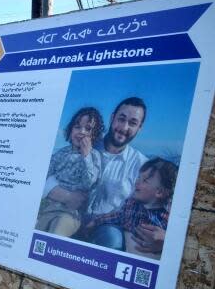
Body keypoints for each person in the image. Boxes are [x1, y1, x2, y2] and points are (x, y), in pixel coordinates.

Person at [46, 97, 165, 252]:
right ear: (112, 118)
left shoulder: (142, 165)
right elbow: (50, 171)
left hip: (104, 228)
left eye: (133, 123)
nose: (124, 127)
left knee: (112, 238)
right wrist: (67, 196)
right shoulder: (86, 144)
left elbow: (160, 200)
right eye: (121, 119)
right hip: (68, 213)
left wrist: (165, 236)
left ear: (140, 128)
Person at [85, 158, 178, 257]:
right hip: (127, 249)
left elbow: (178, 237)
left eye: (145, 180)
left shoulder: (168, 216)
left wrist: (168, 241)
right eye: (139, 177)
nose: (137, 182)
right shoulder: (132, 204)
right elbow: (119, 216)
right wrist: (96, 221)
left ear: (159, 192)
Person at [36, 107, 104, 236]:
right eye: (77, 127)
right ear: (70, 129)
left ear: (94, 135)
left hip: (71, 213)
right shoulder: (60, 153)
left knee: (56, 232)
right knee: (38, 232)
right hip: (49, 208)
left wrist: (86, 156)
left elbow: (89, 183)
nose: (81, 132)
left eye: (88, 129)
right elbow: (44, 177)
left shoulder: (94, 156)